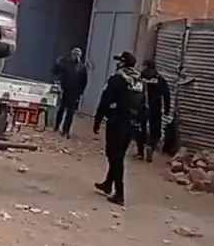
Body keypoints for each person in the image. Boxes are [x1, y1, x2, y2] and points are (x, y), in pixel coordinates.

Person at [92, 51, 145, 206]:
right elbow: (144, 104)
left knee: (114, 155)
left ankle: (119, 194)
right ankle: (108, 184)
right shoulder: (139, 80)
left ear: (122, 63)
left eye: (119, 61)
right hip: (131, 124)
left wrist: (97, 120)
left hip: (117, 122)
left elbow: (105, 99)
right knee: (119, 154)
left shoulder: (118, 78)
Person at [133, 58, 172, 162]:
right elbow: (166, 95)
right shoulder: (160, 79)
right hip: (156, 108)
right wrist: (167, 109)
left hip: (142, 107)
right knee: (155, 130)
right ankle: (151, 146)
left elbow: (134, 91)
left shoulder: (141, 77)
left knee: (140, 129)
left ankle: (140, 152)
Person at [52, 47, 88, 137]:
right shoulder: (66, 63)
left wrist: (80, 93)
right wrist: (58, 63)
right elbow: (55, 71)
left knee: (70, 112)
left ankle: (66, 130)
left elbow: (84, 81)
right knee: (61, 109)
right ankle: (56, 126)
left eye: (78, 54)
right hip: (65, 90)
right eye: (74, 54)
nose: (76, 56)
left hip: (74, 92)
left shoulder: (82, 67)